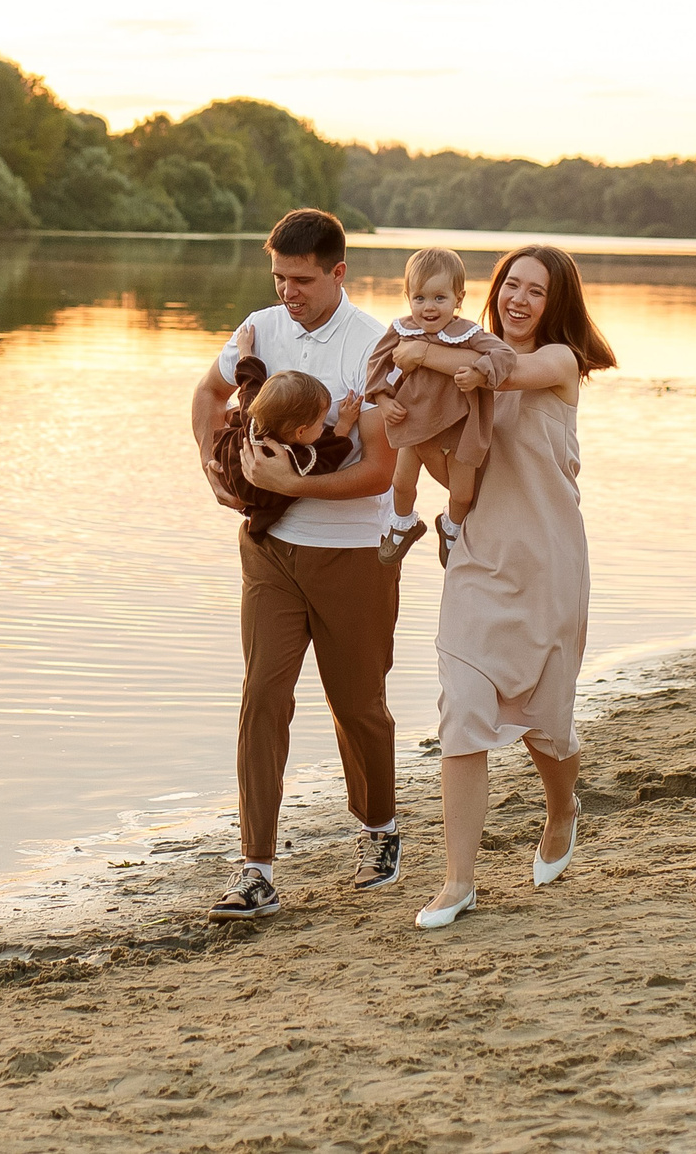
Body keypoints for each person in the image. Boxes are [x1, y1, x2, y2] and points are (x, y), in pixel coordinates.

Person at [378, 244, 615, 930]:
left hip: (547, 563)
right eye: (510, 284)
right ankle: (458, 880)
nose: (517, 298)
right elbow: (447, 465)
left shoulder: (558, 365)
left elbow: (504, 374)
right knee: (465, 713)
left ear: (556, 304)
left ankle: (564, 806)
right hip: (479, 560)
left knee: (546, 724)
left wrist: (421, 352)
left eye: (535, 291)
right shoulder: (462, 358)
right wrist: (407, 425)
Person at [189, 208, 404, 920]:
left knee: (358, 707)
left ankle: (379, 829)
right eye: (279, 277)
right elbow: (208, 394)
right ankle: (255, 869)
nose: (288, 292)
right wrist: (215, 470)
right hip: (269, 551)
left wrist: (295, 483)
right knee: (263, 696)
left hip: (353, 556)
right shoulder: (260, 327)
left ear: (339, 272)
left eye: (303, 280)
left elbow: (379, 469)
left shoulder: (376, 345)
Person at [363, 246, 515, 567]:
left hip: (459, 427)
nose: (428, 308)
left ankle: (451, 528)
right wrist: (383, 398)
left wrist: (478, 373)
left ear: (458, 299)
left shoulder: (468, 334)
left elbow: (505, 356)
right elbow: (376, 362)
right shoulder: (403, 329)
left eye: (439, 298)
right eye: (419, 298)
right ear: (407, 296)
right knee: (401, 483)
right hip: (414, 422)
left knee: (462, 494)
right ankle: (403, 525)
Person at [207, 361, 365, 539]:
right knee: (276, 499)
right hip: (253, 489)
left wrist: (245, 352)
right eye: (321, 423)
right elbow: (325, 458)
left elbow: (250, 384)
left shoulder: (253, 415)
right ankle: (256, 523)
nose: (324, 427)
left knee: (238, 421)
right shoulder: (290, 459)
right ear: (300, 431)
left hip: (230, 454)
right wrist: (344, 424)